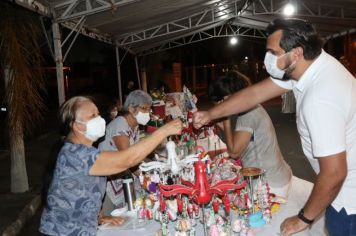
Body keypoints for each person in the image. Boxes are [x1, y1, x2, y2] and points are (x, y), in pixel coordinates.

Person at [193, 18, 356, 236]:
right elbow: (254, 94)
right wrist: (211, 113)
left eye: (273, 52)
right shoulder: (311, 67)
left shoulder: (319, 98)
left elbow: (335, 173)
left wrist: (303, 218)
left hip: (349, 202)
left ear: (296, 53)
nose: (268, 58)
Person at [39, 96, 182, 236]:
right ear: (77, 126)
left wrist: (99, 218)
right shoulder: (76, 154)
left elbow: (84, 192)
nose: (99, 119)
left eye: (98, 113)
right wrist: (164, 131)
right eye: (92, 115)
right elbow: (128, 159)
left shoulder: (85, 151)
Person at [208, 73, 292, 197]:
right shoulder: (252, 107)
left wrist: (225, 118)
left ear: (227, 98)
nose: (219, 107)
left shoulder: (247, 114)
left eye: (219, 104)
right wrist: (223, 126)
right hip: (279, 175)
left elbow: (234, 152)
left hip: (269, 185)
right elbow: (241, 143)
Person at [99, 90, 152, 215]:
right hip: (110, 180)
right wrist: (146, 176)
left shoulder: (134, 126)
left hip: (124, 177)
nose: (148, 113)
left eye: (149, 109)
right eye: (144, 109)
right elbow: (129, 158)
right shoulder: (120, 125)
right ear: (131, 109)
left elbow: (136, 152)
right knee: (112, 218)